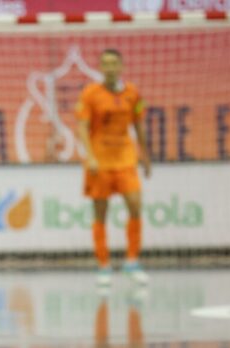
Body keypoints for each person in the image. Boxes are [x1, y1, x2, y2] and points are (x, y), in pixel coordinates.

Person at [75, 49, 151, 287]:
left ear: (121, 66)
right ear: (100, 67)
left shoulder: (133, 93)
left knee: (135, 205)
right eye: (105, 63)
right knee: (101, 212)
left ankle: (132, 262)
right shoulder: (90, 93)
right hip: (100, 161)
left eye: (114, 63)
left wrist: (145, 156)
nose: (109, 67)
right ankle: (104, 265)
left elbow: (138, 125)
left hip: (126, 158)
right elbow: (82, 127)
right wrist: (91, 157)